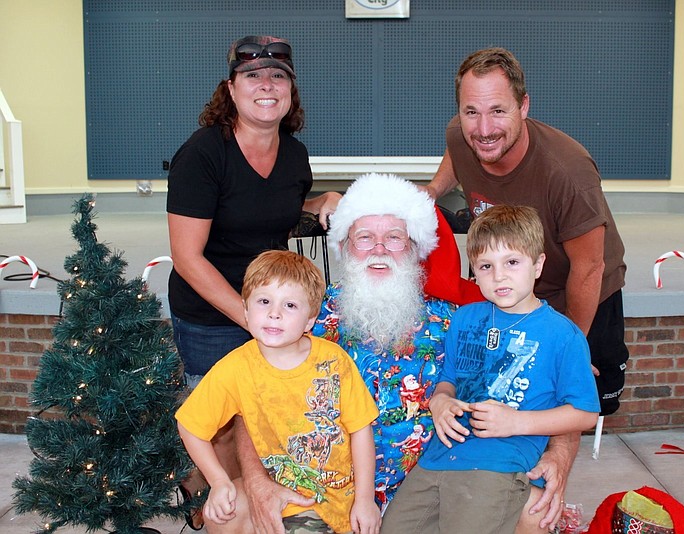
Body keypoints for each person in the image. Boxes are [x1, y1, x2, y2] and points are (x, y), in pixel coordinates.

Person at [232, 173, 577, 533]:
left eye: (394, 238)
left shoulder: (459, 322)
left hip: (429, 486)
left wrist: (559, 455)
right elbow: (248, 394)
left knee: (535, 510)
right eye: (365, 237)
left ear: (415, 248)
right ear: (345, 246)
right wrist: (255, 479)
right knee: (229, 509)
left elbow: (548, 382)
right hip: (323, 482)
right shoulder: (305, 312)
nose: (379, 250)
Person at [167, 35, 340, 529]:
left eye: (278, 76)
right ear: (231, 88)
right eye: (253, 76)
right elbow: (186, 256)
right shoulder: (203, 155)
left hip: (269, 305)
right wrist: (246, 316)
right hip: (211, 309)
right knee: (222, 423)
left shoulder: (294, 155)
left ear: (291, 90)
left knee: (263, 416)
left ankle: (221, 493)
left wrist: (321, 199)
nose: (266, 85)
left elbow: (275, 208)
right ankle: (198, 493)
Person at [422, 47, 629, 418]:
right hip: (508, 286)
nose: (483, 129)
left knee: (568, 399)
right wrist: (435, 188)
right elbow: (458, 148)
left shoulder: (568, 173)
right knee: (505, 390)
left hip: (577, 290)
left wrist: (566, 346)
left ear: (524, 106)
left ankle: (552, 471)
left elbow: (589, 267)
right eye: (472, 112)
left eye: (498, 110)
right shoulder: (462, 133)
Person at [381, 205, 600, 534]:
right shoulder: (466, 318)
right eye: (486, 266)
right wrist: (440, 401)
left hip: (498, 464)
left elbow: (585, 413)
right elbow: (450, 380)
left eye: (512, 262)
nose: (499, 276)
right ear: (474, 272)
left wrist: (516, 421)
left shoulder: (562, 335)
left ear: (538, 264)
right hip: (439, 457)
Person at [176, 250, 380, 534]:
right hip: (276, 490)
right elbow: (190, 426)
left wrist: (365, 499)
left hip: (334, 497)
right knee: (222, 513)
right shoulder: (235, 367)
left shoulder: (334, 361)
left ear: (310, 320)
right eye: (264, 301)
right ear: (246, 309)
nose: (274, 313)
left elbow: (360, 429)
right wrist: (219, 481)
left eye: (290, 306)